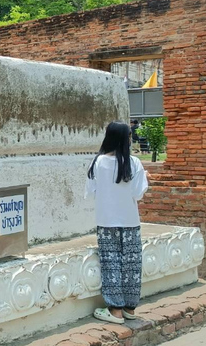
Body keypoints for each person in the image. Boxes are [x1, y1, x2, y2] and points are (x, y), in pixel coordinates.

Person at [85, 121, 149, 324]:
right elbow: (138, 194)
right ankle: (130, 308)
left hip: (106, 221)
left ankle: (115, 310)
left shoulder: (97, 162)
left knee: (111, 263)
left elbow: (90, 193)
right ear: (126, 139)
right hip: (130, 221)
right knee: (132, 263)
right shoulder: (135, 163)